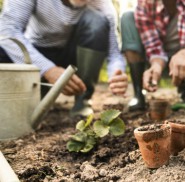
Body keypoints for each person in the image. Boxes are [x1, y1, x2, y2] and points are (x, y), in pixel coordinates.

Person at [0, 0, 128, 117]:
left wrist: (117, 73)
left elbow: (114, 53)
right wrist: (47, 69)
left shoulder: (104, 6)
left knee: (97, 21)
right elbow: (7, 30)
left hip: (72, 57)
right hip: (37, 54)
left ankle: (82, 99)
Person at [120, 0, 185, 111]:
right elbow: (153, 47)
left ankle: (184, 92)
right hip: (153, 60)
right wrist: (156, 65)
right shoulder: (145, 2)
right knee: (128, 17)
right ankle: (138, 93)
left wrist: (183, 55)